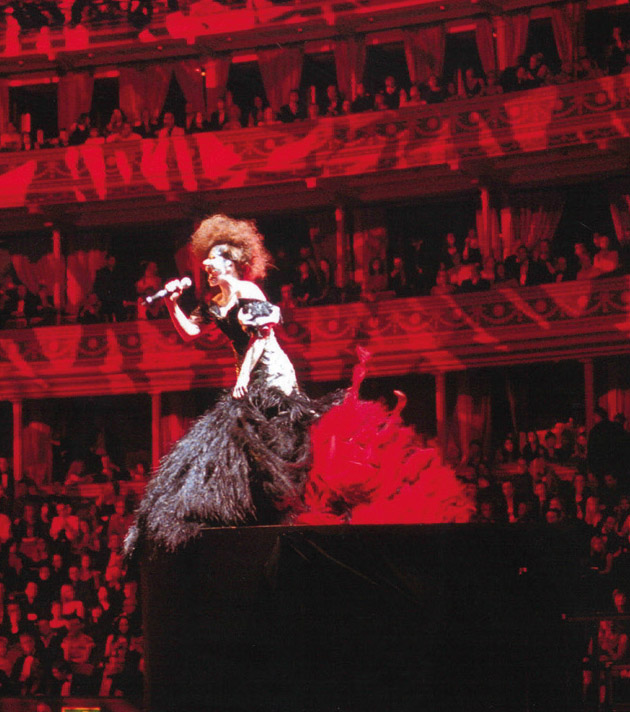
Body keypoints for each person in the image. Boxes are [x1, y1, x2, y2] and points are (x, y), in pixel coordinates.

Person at [126, 214, 472, 556]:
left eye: (214, 259)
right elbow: (189, 332)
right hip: (246, 373)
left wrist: (245, 377)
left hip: (270, 372)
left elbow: (261, 339)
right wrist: (172, 304)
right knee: (239, 430)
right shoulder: (216, 303)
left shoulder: (248, 291)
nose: (207, 265)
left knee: (261, 426)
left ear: (232, 262)